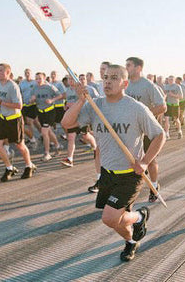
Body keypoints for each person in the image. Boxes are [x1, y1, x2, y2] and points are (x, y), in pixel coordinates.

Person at [61, 64, 165, 262]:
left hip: (130, 175)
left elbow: (159, 135)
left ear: (124, 83)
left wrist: (144, 162)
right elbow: (67, 124)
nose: (108, 81)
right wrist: (81, 100)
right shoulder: (95, 105)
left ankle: (139, 217)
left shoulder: (136, 108)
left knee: (109, 218)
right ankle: (132, 241)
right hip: (107, 173)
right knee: (117, 221)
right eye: (106, 77)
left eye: (114, 78)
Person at [125, 57, 166, 203]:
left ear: (138, 68)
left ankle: (154, 187)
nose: (126, 68)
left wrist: (145, 115)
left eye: (129, 65)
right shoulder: (126, 84)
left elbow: (162, 106)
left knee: (150, 159)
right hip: (130, 129)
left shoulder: (148, 85)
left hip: (146, 129)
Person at [0, 63, 36, 181]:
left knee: (19, 145)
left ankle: (29, 166)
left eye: (1, 70)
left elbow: (19, 105)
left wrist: (1, 103)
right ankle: (9, 167)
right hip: (3, 118)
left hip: (14, 119)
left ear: (8, 73)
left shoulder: (13, 86)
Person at [60, 77, 97, 168]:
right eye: (69, 79)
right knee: (71, 137)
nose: (71, 81)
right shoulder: (68, 90)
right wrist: (66, 105)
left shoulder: (84, 89)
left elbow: (90, 101)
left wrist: (74, 105)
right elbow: (68, 101)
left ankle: (95, 147)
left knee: (85, 135)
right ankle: (70, 159)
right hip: (73, 117)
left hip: (82, 117)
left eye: (73, 79)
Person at [30, 72, 63, 161]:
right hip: (40, 112)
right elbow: (32, 100)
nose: (38, 80)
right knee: (48, 132)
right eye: (36, 78)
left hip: (50, 112)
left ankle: (47, 153)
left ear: (44, 78)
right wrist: (32, 100)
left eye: (40, 78)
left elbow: (61, 95)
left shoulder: (50, 87)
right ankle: (57, 145)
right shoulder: (34, 88)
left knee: (44, 132)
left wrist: (52, 100)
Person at [19, 68, 40, 145]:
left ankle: (40, 136)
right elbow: (20, 93)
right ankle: (33, 137)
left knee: (34, 122)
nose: (27, 74)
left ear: (31, 74)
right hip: (25, 105)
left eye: (28, 73)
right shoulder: (21, 83)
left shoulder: (35, 82)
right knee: (31, 122)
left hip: (34, 105)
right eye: (26, 73)